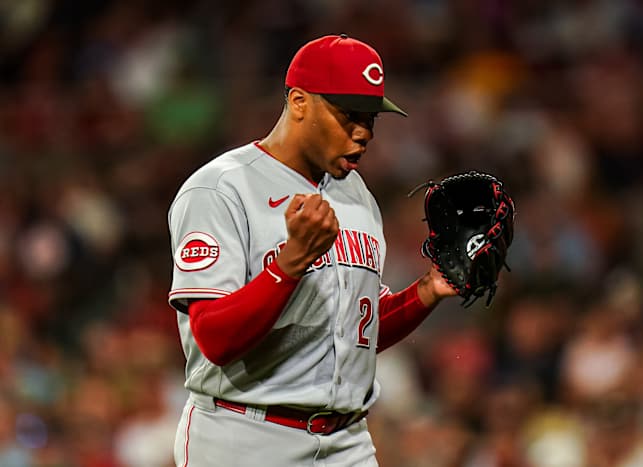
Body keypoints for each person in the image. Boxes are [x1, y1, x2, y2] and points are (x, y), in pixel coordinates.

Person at [167, 34, 457, 467]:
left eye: (371, 118)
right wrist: (292, 262)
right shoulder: (221, 188)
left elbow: (355, 334)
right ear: (300, 102)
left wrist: (428, 291)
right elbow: (214, 338)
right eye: (348, 115)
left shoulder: (357, 195)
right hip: (244, 436)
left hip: (347, 441)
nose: (363, 132)